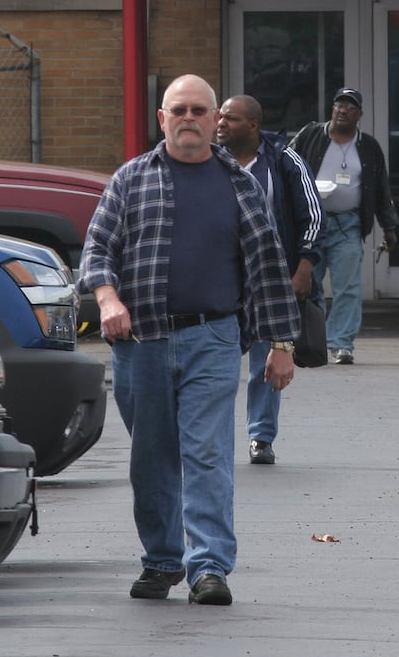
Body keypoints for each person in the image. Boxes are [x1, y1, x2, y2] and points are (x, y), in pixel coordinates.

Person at [79, 74, 300, 607]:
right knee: (151, 458)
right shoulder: (131, 179)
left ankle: (209, 568)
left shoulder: (240, 185)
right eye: (178, 109)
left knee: (206, 453)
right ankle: (161, 561)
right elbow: (96, 250)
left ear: (214, 122)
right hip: (143, 342)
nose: (189, 119)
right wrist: (108, 300)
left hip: (215, 336)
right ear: (162, 119)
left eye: (200, 110)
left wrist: (281, 344)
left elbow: (269, 268)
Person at [216, 94, 323, 466]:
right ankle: (211, 437)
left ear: (253, 125)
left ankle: (261, 437)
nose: (221, 123)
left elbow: (312, 215)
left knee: (268, 357)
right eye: (220, 116)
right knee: (217, 358)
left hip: (270, 276)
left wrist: (304, 267)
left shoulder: (284, 159)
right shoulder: (210, 160)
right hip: (222, 277)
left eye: (230, 118)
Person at [290, 87, 399, 365]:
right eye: (339, 104)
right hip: (312, 221)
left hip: (348, 223)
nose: (343, 110)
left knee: (347, 286)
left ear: (359, 115)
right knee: (308, 284)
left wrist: (389, 227)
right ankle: (307, 340)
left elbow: (380, 188)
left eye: (350, 107)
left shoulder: (368, 146)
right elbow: (286, 166)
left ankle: (341, 343)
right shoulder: (311, 134)